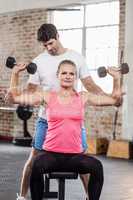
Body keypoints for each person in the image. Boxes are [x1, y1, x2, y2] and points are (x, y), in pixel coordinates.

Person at [5, 23, 109, 200]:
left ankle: (89, 197)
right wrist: (15, 93)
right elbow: (31, 89)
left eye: (51, 43)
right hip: (47, 119)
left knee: (81, 158)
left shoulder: (76, 57)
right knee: (33, 159)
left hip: (72, 119)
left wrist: (108, 97)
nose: (49, 48)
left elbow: (89, 84)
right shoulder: (39, 61)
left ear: (58, 36)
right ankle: (22, 197)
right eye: (45, 45)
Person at [9, 58, 122, 200]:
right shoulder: (47, 96)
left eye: (71, 73)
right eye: (64, 73)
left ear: (75, 77)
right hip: (51, 155)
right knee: (36, 165)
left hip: (75, 157)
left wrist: (117, 78)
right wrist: (15, 73)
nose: (68, 76)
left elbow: (115, 101)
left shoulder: (83, 97)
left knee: (97, 166)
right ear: (58, 75)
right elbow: (14, 98)